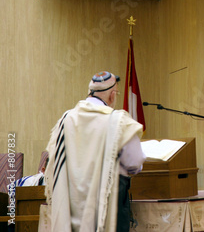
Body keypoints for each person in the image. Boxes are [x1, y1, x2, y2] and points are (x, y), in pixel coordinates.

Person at [44, 71, 146, 232]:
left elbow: (54, 160)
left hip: (69, 206)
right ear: (112, 95)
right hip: (110, 204)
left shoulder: (66, 120)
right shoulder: (118, 121)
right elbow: (134, 162)